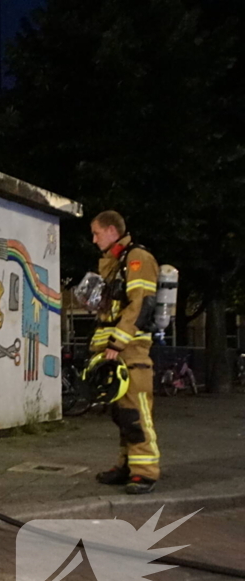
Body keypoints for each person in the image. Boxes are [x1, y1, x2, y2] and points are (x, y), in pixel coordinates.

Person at [89, 211, 161, 494]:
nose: (94, 239)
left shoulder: (137, 258)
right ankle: (127, 466)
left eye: (96, 233)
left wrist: (117, 342)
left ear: (111, 231)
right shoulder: (114, 263)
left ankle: (145, 473)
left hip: (131, 351)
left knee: (136, 413)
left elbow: (140, 304)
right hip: (116, 351)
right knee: (122, 414)